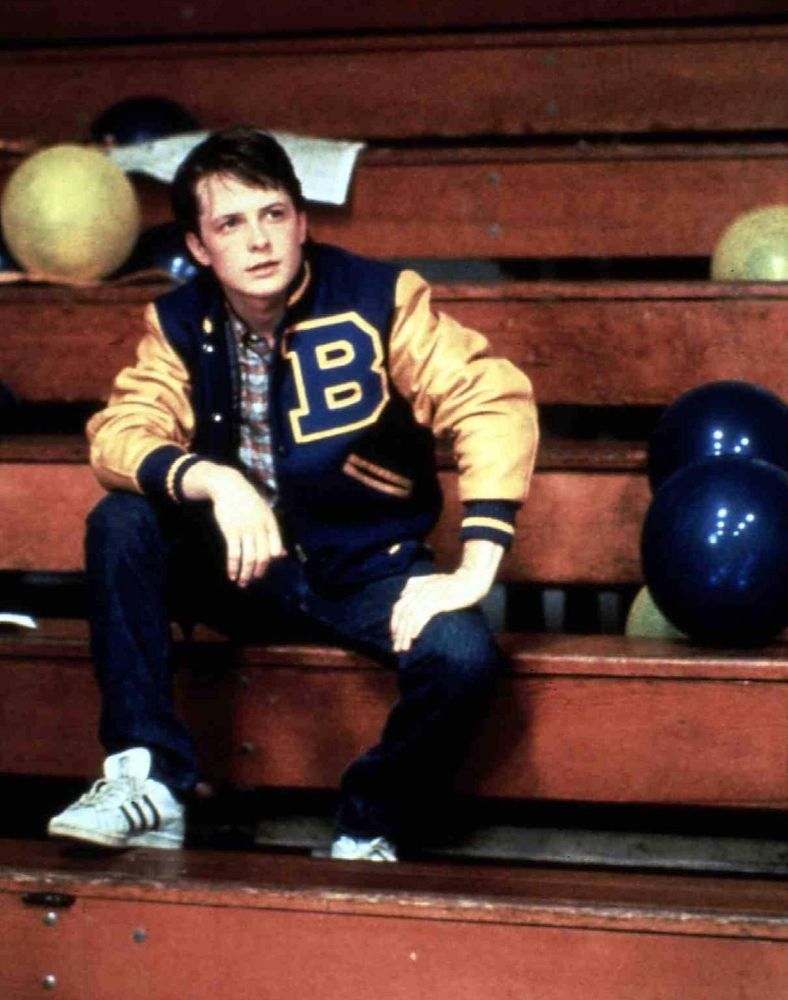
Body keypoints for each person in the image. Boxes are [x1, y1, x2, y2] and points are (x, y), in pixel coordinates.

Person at [48, 127, 538, 861]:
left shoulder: (381, 298)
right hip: (241, 568)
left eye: (274, 214)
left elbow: (489, 398)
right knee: (121, 520)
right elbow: (121, 432)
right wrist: (214, 479)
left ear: (303, 222)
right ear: (200, 246)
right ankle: (148, 779)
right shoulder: (179, 322)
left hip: (365, 567)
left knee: (464, 656)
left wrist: (472, 569)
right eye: (231, 223)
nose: (259, 241)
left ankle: (369, 823)